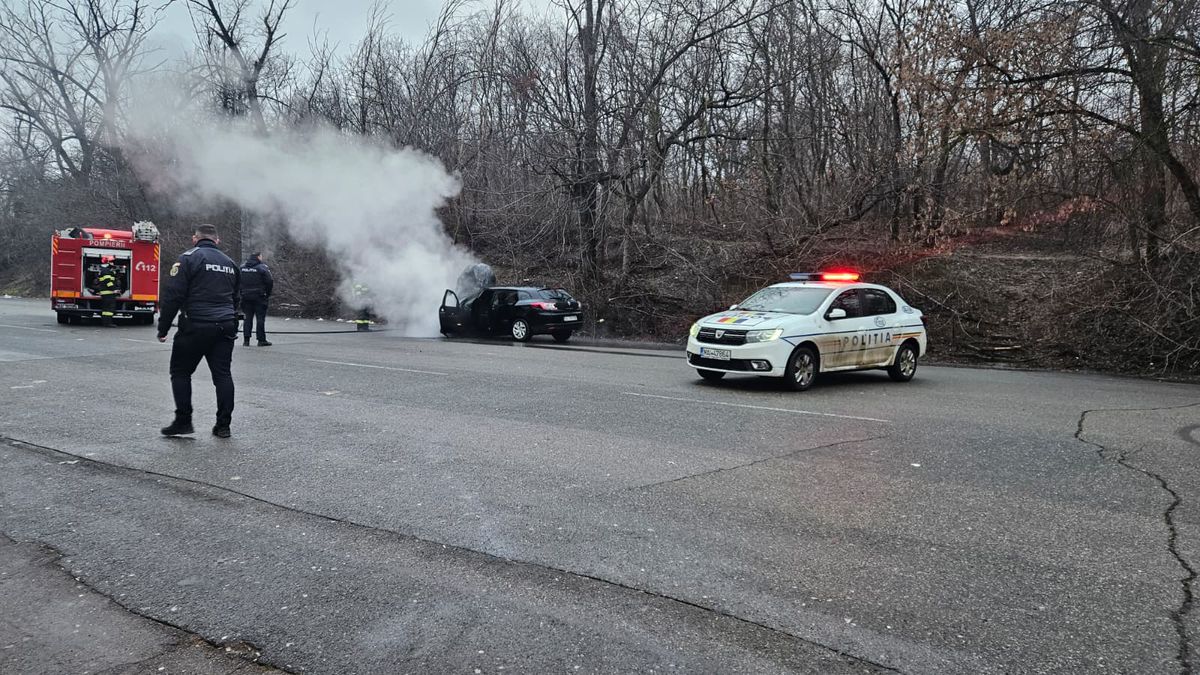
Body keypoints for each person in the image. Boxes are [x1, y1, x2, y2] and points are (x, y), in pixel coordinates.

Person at [157, 224, 241, 438]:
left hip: (195, 325)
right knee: (222, 375)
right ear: (217, 241)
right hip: (224, 326)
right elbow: (236, 298)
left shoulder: (188, 258)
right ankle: (223, 426)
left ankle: (183, 420)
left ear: (195, 239)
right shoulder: (230, 263)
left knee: (181, 372)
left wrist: (163, 327)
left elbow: (173, 295)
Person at [239, 252, 274, 346]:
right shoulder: (262, 267)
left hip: (245, 296)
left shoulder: (242, 267)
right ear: (258, 257)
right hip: (259, 296)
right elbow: (269, 281)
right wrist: (267, 293)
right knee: (260, 319)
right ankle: (261, 340)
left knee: (247, 318)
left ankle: (246, 340)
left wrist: (241, 292)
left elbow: (237, 280)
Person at [96, 256, 119, 327]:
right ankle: (108, 323)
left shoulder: (104, 270)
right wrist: (114, 289)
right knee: (110, 308)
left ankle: (105, 323)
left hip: (105, 293)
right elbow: (108, 282)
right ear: (108, 262)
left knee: (105, 309)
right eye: (112, 262)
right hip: (109, 293)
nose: (113, 263)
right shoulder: (106, 271)